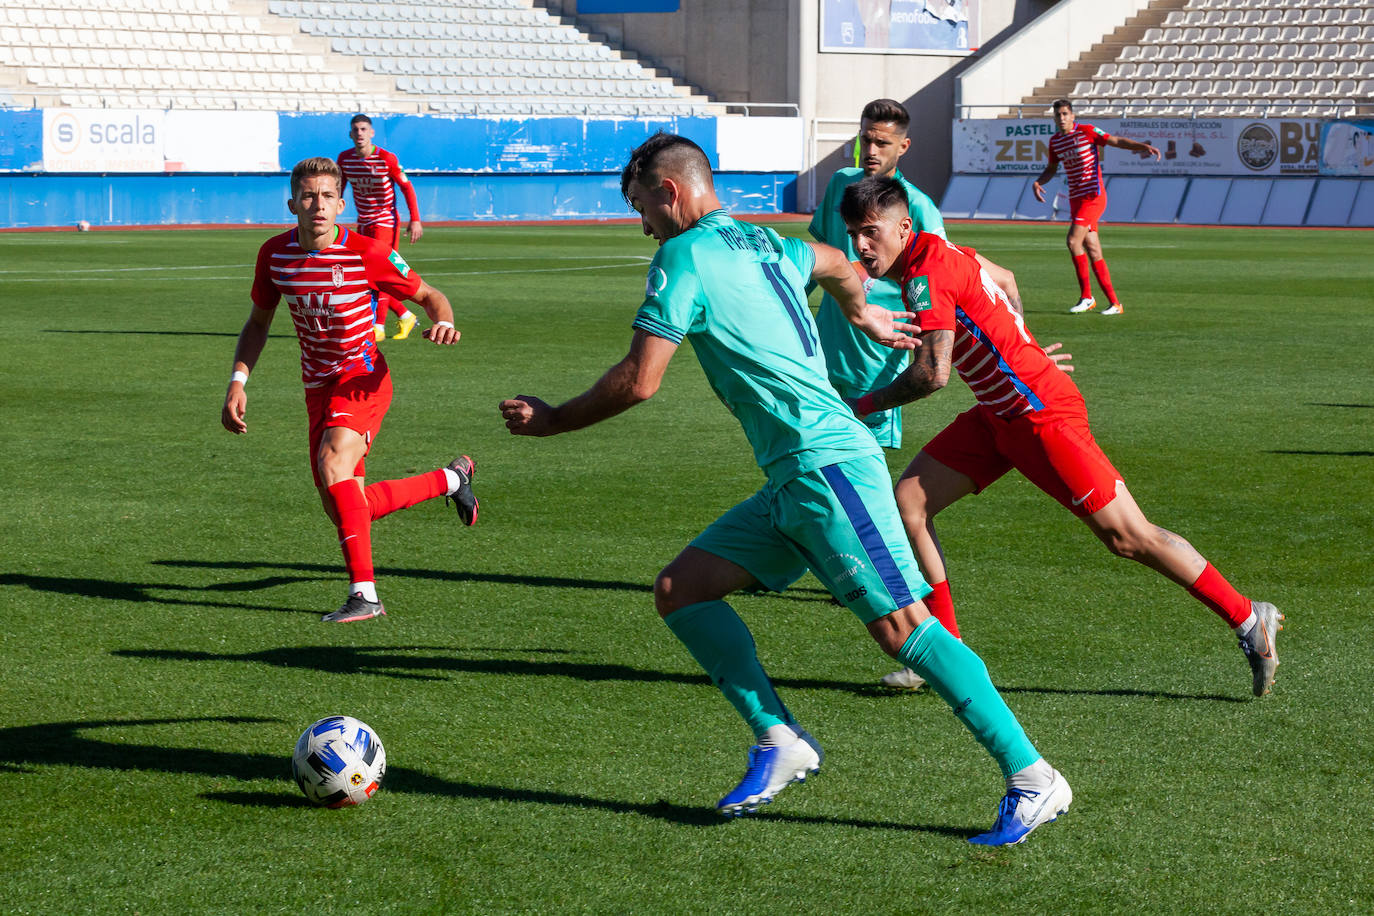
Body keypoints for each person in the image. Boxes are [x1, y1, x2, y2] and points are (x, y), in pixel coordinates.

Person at [500, 133, 1072, 846]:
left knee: (903, 630)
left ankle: (1031, 775)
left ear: (670, 192)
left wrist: (552, 421)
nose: (643, 221)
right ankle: (778, 738)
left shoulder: (682, 257)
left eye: (642, 203)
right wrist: (860, 309)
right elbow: (833, 262)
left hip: (827, 465)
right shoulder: (767, 241)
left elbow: (641, 380)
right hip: (795, 474)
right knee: (683, 588)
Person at [842, 175, 1283, 698]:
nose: (862, 246)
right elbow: (1004, 279)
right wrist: (1021, 346)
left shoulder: (926, 273)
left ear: (903, 227)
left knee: (1128, 537)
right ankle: (944, 656)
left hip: (1040, 414)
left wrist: (857, 407)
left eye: (871, 232)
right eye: (854, 234)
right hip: (999, 414)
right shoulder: (941, 247)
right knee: (910, 503)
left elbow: (931, 375)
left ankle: (1248, 617)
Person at [221, 157, 478, 624]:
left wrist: (444, 321)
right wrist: (238, 381)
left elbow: (429, 295)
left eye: (325, 197)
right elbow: (258, 323)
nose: (316, 205)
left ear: (341, 204)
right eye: (307, 196)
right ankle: (452, 479)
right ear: (292, 203)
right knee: (345, 506)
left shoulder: (367, 252)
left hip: (362, 379)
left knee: (332, 463)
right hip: (316, 386)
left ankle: (366, 595)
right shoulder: (274, 255)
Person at [1031, 98, 1160, 316]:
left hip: (1093, 197)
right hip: (1076, 199)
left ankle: (1087, 297)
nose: (1061, 118)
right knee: (1092, 249)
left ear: (1073, 116)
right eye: (1058, 115)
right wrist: (1038, 182)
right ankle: (1115, 304)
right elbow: (1051, 168)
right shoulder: (1055, 142)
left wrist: (1141, 146)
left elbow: (1115, 141)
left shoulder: (1087, 131)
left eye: (1065, 114)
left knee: (1073, 241)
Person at [338, 114, 424, 342]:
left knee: (380, 270)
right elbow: (339, 188)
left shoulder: (386, 158)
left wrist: (415, 219)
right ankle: (405, 315)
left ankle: (378, 326)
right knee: (364, 273)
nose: (359, 133)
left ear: (372, 133)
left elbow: (407, 187)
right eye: (355, 129)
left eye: (364, 129)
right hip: (363, 221)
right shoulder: (345, 159)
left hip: (386, 221)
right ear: (350, 134)